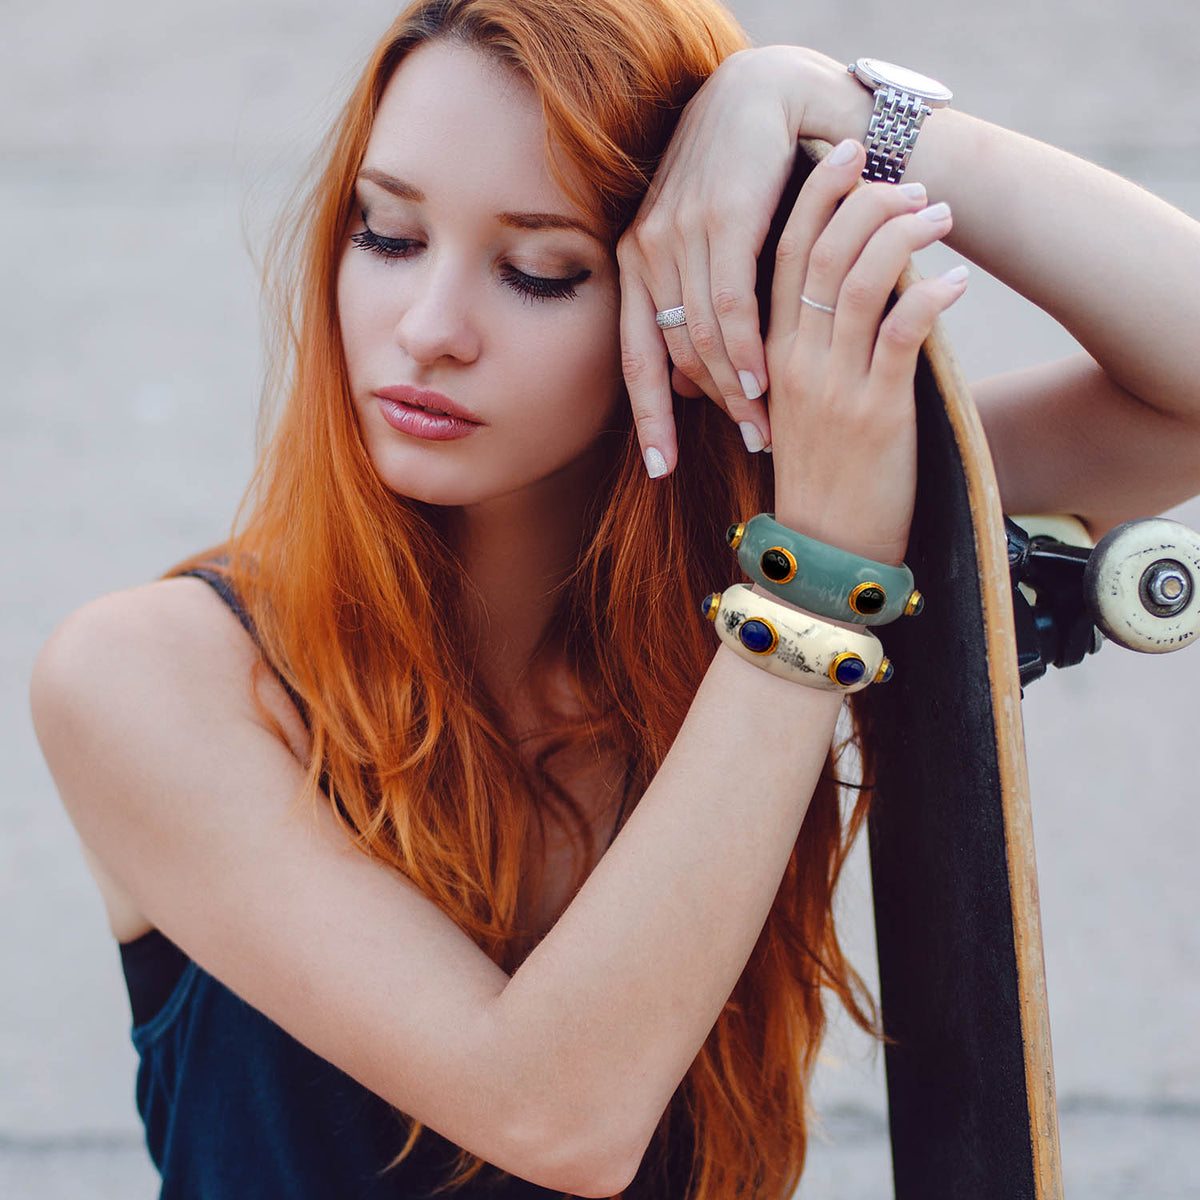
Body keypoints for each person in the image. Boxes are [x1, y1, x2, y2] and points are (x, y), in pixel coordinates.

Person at [29, 0, 1200, 1197]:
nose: (428, 331)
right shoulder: (151, 676)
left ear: (688, 287)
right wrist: (821, 579)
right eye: (387, 236)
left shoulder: (731, 575)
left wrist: (827, 108)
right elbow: (553, 1114)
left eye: (541, 271)